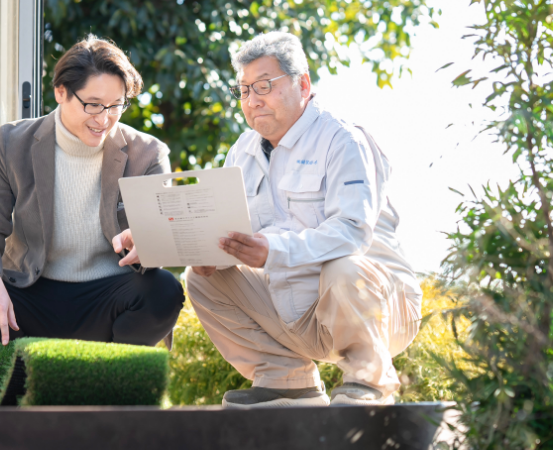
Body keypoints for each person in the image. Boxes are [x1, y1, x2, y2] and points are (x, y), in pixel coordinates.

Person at [114, 32, 422, 407]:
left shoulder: (344, 141)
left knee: (344, 268)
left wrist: (272, 250)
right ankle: (287, 381)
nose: (252, 100)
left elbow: (352, 233)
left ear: (303, 84)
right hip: (298, 313)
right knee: (203, 279)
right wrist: (156, 234)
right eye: (243, 90)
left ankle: (368, 381)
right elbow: (223, 231)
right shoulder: (241, 151)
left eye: (264, 86)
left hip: (380, 310)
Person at [0, 35, 184, 350]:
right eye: (92, 105)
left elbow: (157, 243)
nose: (103, 119)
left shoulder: (148, 153)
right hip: (29, 297)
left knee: (163, 290)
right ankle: (26, 369)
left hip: (107, 300)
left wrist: (145, 242)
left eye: (116, 106)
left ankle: (109, 374)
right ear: (60, 92)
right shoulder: (11, 144)